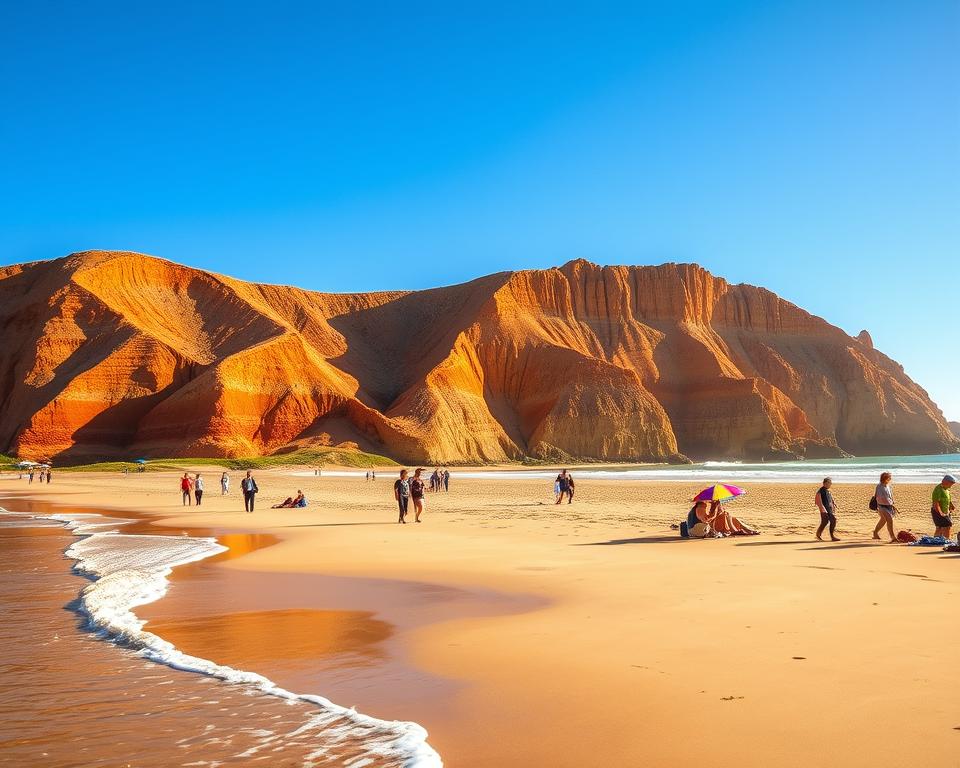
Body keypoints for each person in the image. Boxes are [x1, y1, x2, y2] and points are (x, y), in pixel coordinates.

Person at [872, 472, 897, 543]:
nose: (890, 479)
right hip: (882, 506)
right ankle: (893, 537)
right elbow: (880, 498)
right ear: (884, 478)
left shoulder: (888, 486)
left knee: (883, 520)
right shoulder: (879, 486)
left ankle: (875, 533)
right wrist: (890, 504)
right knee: (889, 520)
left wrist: (893, 503)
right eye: (889, 477)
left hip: (888, 506)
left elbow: (890, 496)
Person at [931, 474, 956, 538]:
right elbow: (935, 503)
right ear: (945, 482)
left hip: (946, 512)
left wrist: (951, 505)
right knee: (947, 525)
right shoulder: (938, 489)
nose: (951, 486)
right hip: (938, 511)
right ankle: (947, 540)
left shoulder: (946, 490)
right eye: (950, 484)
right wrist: (940, 513)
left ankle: (937, 541)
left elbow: (948, 500)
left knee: (939, 527)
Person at [815, 477, 839, 541]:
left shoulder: (827, 491)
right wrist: (823, 509)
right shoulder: (821, 491)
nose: (830, 484)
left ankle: (818, 534)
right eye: (829, 483)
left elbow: (830, 499)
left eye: (831, 483)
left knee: (824, 522)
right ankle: (832, 536)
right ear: (825, 483)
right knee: (833, 520)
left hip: (828, 509)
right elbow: (818, 500)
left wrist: (833, 504)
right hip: (824, 510)